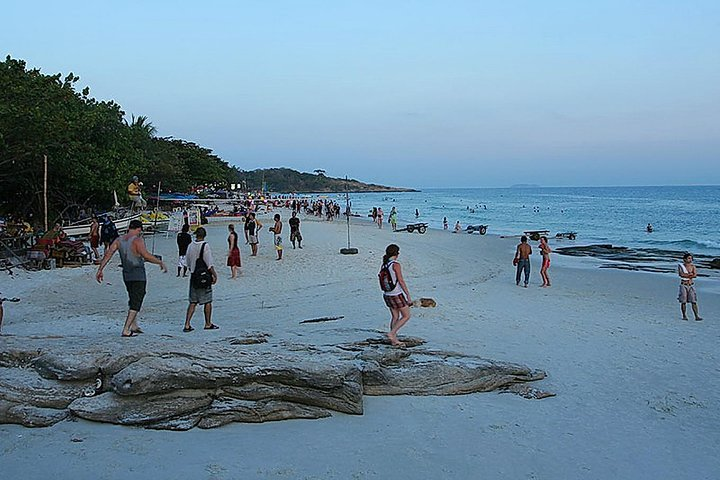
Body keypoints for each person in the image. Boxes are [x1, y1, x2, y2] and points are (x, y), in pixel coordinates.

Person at [96, 220, 166, 337]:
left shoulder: (119, 240)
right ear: (138, 229)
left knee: (132, 297)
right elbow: (145, 255)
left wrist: (100, 269)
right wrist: (159, 262)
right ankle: (126, 328)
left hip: (126, 275)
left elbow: (108, 254)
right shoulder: (137, 240)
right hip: (138, 274)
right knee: (137, 300)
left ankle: (134, 324)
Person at [183, 227, 219, 332]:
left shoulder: (190, 246)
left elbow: (188, 261)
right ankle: (208, 323)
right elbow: (209, 263)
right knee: (207, 300)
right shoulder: (205, 246)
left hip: (194, 275)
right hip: (204, 275)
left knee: (193, 301)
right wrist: (214, 274)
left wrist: (191, 269)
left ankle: (187, 324)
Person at [380, 244, 412, 347]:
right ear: (397, 253)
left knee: (395, 316)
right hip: (396, 294)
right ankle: (392, 333)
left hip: (387, 294)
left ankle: (393, 340)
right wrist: (408, 295)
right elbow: (401, 281)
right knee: (406, 315)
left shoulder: (384, 264)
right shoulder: (395, 265)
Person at [678, 253, 702, 321]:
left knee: (693, 301)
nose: (690, 260)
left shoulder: (693, 266)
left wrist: (688, 275)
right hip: (683, 285)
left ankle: (696, 316)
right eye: (689, 258)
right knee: (683, 301)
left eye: (691, 258)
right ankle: (684, 315)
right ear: (685, 259)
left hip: (691, 285)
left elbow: (695, 275)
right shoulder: (681, 266)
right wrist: (690, 274)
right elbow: (681, 274)